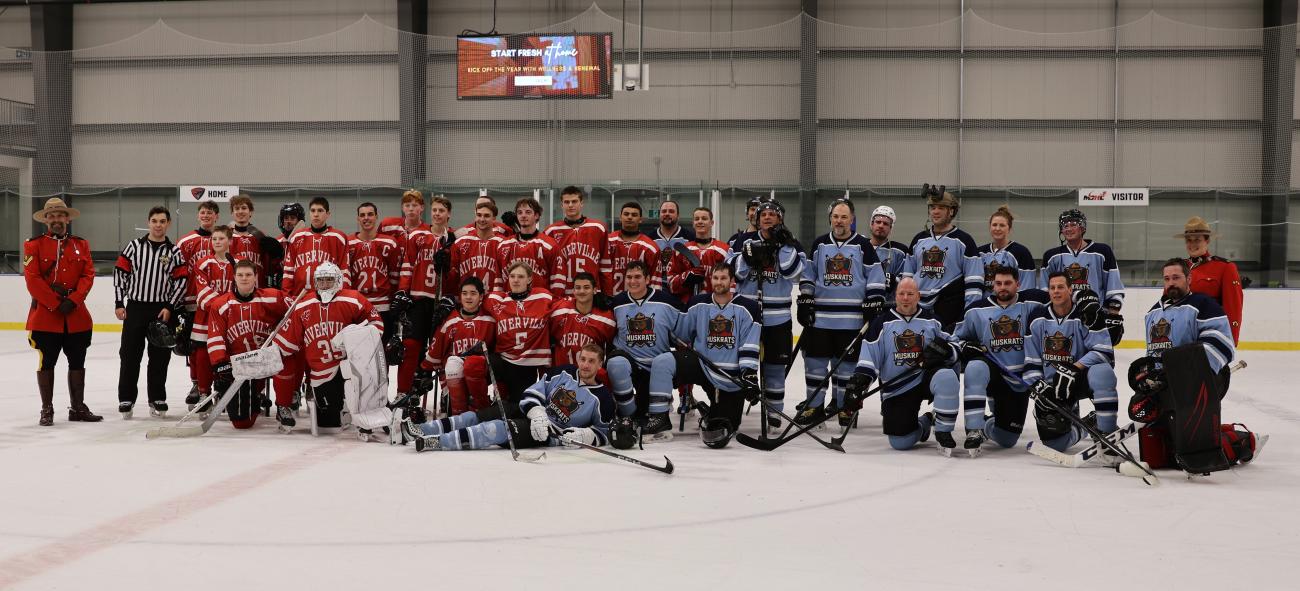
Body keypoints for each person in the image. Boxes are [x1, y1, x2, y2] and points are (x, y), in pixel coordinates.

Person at [1130, 258, 1258, 472]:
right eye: (1167, 278)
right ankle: (1207, 433)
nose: (1171, 283)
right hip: (1168, 383)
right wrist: (1150, 377)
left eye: (1176, 277)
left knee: (1196, 453)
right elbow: (1153, 354)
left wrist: (1180, 372)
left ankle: (1242, 441)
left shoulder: (1204, 304)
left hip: (1203, 381)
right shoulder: (1152, 313)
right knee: (1155, 450)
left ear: (1189, 279)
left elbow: (1222, 345)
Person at [402, 344, 614, 452]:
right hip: (531, 414)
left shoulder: (603, 398)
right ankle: (421, 430)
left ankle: (436, 442)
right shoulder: (563, 372)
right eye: (583, 359)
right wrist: (537, 412)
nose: (585, 365)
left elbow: (604, 431)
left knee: (494, 429)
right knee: (477, 416)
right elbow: (532, 393)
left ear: (600, 364)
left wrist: (586, 436)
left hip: (546, 433)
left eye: (591, 361)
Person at [794, 199, 887, 427]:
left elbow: (875, 275)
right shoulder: (820, 243)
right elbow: (809, 274)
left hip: (851, 320)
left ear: (852, 220)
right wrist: (805, 298)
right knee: (814, 364)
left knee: (846, 367)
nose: (839, 221)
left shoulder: (863, 245)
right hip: (820, 319)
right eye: (835, 216)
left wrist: (874, 299)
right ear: (830, 218)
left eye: (844, 217)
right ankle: (814, 406)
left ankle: (844, 407)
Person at [648, 264, 761, 447]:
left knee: (725, 427)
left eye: (723, 278)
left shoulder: (749, 307)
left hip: (729, 377)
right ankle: (659, 419)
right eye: (715, 278)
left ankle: (711, 413)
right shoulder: (698, 303)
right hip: (701, 364)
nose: (719, 282)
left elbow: (750, 343)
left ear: (732, 281)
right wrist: (668, 318)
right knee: (663, 362)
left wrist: (749, 375)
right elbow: (680, 333)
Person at [843, 278, 960, 452]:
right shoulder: (881, 323)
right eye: (902, 293)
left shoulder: (933, 321)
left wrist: (946, 350)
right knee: (900, 442)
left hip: (926, 378)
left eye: (910, 294)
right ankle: (926, 422)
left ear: (918, 296)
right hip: (898, 387)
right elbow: (869, 358)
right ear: (895, 296)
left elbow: (956, 345)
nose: (906, 298)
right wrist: (859, 383)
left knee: (946, 376)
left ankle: (944, 431)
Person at [271, 262, 383, 433]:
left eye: (329, 280)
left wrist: (355, 334)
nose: (324, 284)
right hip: (322, 372)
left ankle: (367, 407)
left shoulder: (353, 299)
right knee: (329, 426)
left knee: (364, 402)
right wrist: (269, 354)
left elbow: (376, 325)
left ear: (338, 280)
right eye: (321, 280)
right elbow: (287, 343)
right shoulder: (303, 305)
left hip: (352, 367)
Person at [950, 265, 1048, 453]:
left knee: (1006, 439)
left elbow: (1062, 300)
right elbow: (955, 339)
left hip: (1021, 380)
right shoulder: (975, 310)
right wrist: (965, 346)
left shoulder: (1034, 301)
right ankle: (974, 429)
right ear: (993, 285)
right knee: (975, 366)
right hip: (994, 372)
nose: (1003, 287)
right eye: (998, 283)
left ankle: (988, 423)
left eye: (1008, 283)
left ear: (1018, 284)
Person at [1022, 271, 1120, 452]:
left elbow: (1104, 351)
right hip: (1054, 387)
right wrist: (1041, 390)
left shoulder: (1087, 313)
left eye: (1060, 287)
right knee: (1056, 444)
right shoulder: (1037, 318)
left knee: (1103, 373)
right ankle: (1087, 425)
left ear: (1070, 290)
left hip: (1080, 379)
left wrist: (1074, 368)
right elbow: (1030, 363)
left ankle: (1107, 435)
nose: (1056, 291)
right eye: (1052, 288)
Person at [24, 197, 101, 425]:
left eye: (60, 215)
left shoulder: (81, 244)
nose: (56, 219)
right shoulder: (34, 245)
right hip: (47, 316)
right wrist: (56, 303)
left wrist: (74, 300)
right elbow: (32, 280)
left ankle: (77, 408)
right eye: (52, 216)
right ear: (45, 220)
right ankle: (46, 409)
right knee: (47, 362)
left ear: (67, 219)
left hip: (76, 316)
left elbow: (88, 275)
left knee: (77, 361)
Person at [732, 197, 803, 428]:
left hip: (778, 318)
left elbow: (793, 273)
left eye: (772, 214)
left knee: (774, 368)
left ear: (780, 218)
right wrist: (746, 256)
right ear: (757, 219)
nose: (768, 217)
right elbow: (736, 274)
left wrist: (784, 246)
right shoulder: (744, 241)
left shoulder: (791, 243)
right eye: (763, 214)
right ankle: (732, 409)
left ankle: (774, 412)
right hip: (749, 317)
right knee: (742, 366)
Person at [114, 206, 188, 419]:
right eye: (154, 221)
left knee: (159, 358)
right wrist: (119, 302)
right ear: (148, 222)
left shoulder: (174, 252)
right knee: (130, 355)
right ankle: (126, 398)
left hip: (161, 310)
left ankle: (157, 398)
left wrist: (170, 306)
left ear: (168, 224)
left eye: (162, 221)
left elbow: (181, 281)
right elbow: (121, 274)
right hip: (135, 308)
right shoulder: (133, 247)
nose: (158, 225)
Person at [205, 260, 289, 429]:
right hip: (239, 365)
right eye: (240, 275)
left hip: (265, 360)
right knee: (242, 423)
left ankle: (284, 404)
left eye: (249, 275)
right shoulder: (221, 305)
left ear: (256, 277)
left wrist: (282, 337)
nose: (244, 278)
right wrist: (221, 363)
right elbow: (215, 336)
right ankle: (255, 396)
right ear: (234, 277)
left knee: (289, 354)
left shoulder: (272, 297)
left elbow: (297, 310)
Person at [607, 260, 684, 435]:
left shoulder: (667, 301)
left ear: (647, 279)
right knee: (615, 363)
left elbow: (683, 328)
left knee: (646, 410)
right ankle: (627, 415)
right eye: (629, 277)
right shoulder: (617, 303)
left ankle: (658, 415)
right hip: (630, 365)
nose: (633, 281)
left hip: (657, 367)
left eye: (637, 277)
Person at [393, 193, 454, 403]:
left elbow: (455, 273)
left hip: (440, 303)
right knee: (410, 346)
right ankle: (403, 391)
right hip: (418, 301)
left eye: (441, 211)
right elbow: (408, 265)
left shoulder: (452, 240)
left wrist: (448, 272)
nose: (437, 214)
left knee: (443, 349)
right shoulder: (417, 236)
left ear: (448, 214)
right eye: (434, 210)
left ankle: (448, 392)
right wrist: (403, 291)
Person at [900, 184, 982, 332]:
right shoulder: (918, 240)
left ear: (951, 211)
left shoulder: (964, 241)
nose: (936, 211)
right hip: (918, 310)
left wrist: (968, 315)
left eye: (941, 207)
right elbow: (907, 280)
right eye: (932, 207)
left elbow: (974, 283)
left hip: (950, 310)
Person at [416, 277, 496, 416]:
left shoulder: (489, 321)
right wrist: (424, 371)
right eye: (464, 293)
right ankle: (458, 414)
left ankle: (481, 410)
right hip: (452, 377)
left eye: (473, 293)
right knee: (452, 364)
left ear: (481, 296)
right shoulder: (450, 321)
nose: (468, 297)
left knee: (472, 364)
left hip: (479, 376)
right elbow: (435, 353)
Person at [483, 261, 554, 413]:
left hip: (528, 364)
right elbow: (473, 299)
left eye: (520, 277)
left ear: (529, 279)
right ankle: (480, 404)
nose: (515, 280)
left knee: (519, 407)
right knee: (475, 365)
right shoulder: (496, 300)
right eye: (512, 276)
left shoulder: (543, 296)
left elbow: (565, 304)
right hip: (504, 359)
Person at [186, 225, 237, 409]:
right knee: (202, 355)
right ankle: (204, 393)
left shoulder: (238, 263)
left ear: (230, 241)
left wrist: (230, 307)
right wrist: (224, 305)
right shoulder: (203, 263)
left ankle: (224, 392)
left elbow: (242, 289)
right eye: (214, 239)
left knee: (227, 354)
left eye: (221, 238)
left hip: (231, 318)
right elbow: (202, 292)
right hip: (206, 317)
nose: (217, 242)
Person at [178, 200, 220, 402]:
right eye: (203, 212)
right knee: (195, 347)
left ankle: (220, 383)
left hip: (218, 304)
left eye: (210, 212)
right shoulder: (186, 241)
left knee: (219, 346)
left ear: (216, 216)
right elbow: (178, 273)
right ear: (198, 215)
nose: (206, 216)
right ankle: (196, 384)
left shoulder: (222, 238)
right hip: (192, 303)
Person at [1040, 209, 1124, 311]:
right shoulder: (1051, 256)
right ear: (1061, 230)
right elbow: (1045, 291)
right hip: (1064, 314)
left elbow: (1114, 286)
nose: (1069, 229)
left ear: (1082, 228)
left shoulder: (1102, 252)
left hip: (1095, 313)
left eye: (1073, 225)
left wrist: (1113, 312)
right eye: (1065, 226)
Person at [1177, 216, 1243, 344]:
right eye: (1189, 240)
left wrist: (1230, 341)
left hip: (1208, 337)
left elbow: (1233, 308)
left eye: (1197, 240)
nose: (1192, 244)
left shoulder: (1225, 267)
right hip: (1180, 336)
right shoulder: (1178, 267)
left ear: (1207, 241)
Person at [348, 202, 402, 342]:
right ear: (358, 219)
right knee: (359, 349)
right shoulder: (348, 244)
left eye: (370, 214)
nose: (366, 218)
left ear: (377, 217)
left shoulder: (390, 243)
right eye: (362, 215)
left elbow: (395, 276)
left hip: (383, 306)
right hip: (358, 306)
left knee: (383, 349)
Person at [545, 185, 610, 297]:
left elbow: (605, 266)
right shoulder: (551, 231)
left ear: (581, 203)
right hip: (563, 295)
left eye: (574, 201)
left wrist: (607, 295)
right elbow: (547, 269)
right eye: (566, 202)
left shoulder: (598, 228)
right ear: (562, 205)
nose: (570, 205)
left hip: (591, 294)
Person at [282, 196, 350, 297]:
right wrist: (286, 296)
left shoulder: (339, 238)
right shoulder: (297, 237)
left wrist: (343, 297)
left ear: (328, 214)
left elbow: (344, 272)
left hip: (329, 299)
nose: (316, 214)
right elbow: (288, 272)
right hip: (300, 299)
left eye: (320, 210)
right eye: (313, 210)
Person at [548, 272, 616, 366]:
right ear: (573, 291)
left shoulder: (606, 319)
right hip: (562, 371)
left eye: (586, 287)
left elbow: (610, 349)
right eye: (578, 287)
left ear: (595, 290)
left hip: (591, 372)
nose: (582, 291)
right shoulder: (559, 311)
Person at [665, 206, 730, 302]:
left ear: (712, 223)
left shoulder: (724, 250)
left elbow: (732, 283)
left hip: (716, 305)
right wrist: (686, 277)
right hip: (688, 305)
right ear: (693, 223)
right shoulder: (682, 251)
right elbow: (671, 284)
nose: (700, 221)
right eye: (697, 219)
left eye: (704, 218)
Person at [495, 197, 557, 292]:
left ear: (536, 215)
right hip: (511, 299)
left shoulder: (549, 245)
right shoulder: (503, 245)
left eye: (528, 212)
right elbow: (498, 281)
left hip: (539, 299)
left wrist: (553, 300)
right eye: (520, 212)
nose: (523, 216)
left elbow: (557, 280)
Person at [976, 205, 1037, 298]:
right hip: (985, 305)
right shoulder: (980, 252)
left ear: (1009, 228)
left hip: (1011, 304)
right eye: (994, 225)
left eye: (1002, 225)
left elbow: (1028, 287)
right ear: (990, 227)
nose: (997, 228)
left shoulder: (1021, 252)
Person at [227, 194, 284, 287]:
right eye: (237, 208)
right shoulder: (226, 237)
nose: (240, 211)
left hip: (258, 287)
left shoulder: (260, 236)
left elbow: (271, 265)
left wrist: (277, 254)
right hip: (233, 287)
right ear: (232, 213)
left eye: (244, 208)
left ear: (251, 212)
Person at [449, 201, 505, 293]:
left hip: (495, 298)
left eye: (486, 216)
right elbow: (452, 276)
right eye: (479, 215)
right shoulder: (460, 242)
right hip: (468, 298)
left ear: (494, 218)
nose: (482, 219)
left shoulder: (503, 244)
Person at [606, 201, 660, 294]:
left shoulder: (650, 248)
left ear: (640, 219)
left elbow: (655, 282)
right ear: (620, 217)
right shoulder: (608, 241)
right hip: (609, 299)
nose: (630, 217)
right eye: (626, 214)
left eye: (634, 215)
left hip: (639, 300)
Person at [866, 205, 909, 296]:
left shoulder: (900, 251)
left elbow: (906, 279)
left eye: (885, 224)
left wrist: (894, 280)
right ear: (872, 224)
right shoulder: (860, 247)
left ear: (891, 228)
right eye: (878, 222)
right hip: (863, 301)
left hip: (889, 302)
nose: (881, 226)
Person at [268, 202, 304, 289]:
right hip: (283, 287)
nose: (288, 221)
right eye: (286, 218)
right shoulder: (277, 242)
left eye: (292, 218)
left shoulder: (306, 239)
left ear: (299, 221)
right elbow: (272, 270)